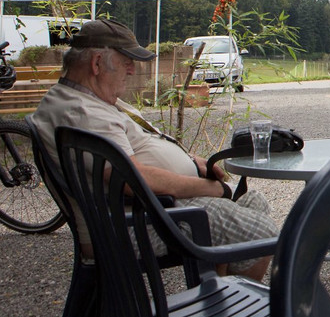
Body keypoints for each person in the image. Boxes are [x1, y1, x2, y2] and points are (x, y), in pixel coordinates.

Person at [30, 19, 275, 281]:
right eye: (127, 62)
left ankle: (220, 289)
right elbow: (133, 179)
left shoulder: (82, 99)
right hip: (133, 223)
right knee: (261, 233)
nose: (132, 70)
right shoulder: (82, 113)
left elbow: (134, 152)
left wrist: (192, 163)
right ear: (97, 63)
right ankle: (232, 297)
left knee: (254, 202)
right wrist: (210, 188)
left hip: (149, 210)